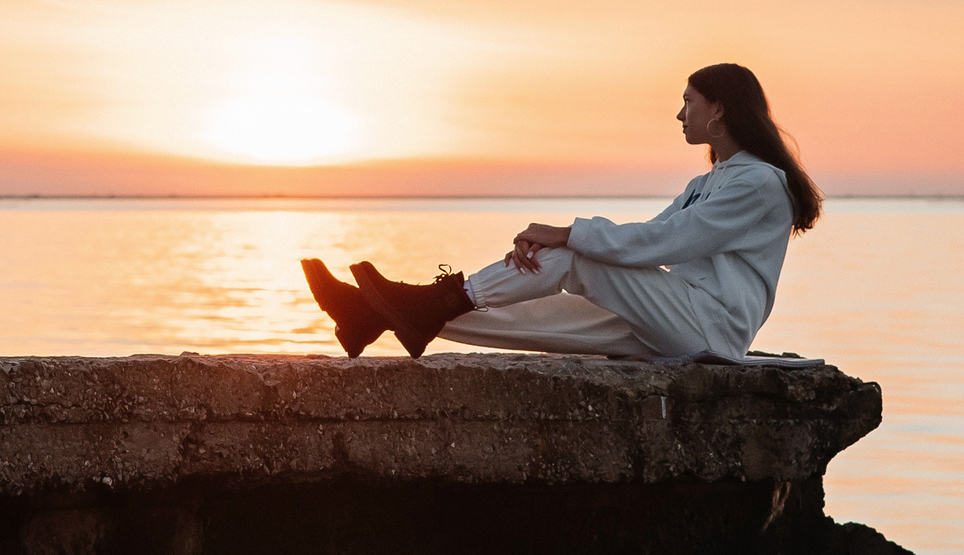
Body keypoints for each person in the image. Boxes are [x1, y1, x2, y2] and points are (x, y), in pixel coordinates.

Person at [302, 63, 822, 362]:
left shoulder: (759, 183)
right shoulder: (705, 183)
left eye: (688, 101)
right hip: (679, 320)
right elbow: (654, 235)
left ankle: (434, 299)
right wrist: (570, 237)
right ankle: (374, 314)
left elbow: (666, 243)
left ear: (719, 110)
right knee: (533, 320)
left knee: (577, 258)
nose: (679, 112)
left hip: (713, 328)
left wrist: (566, 233)